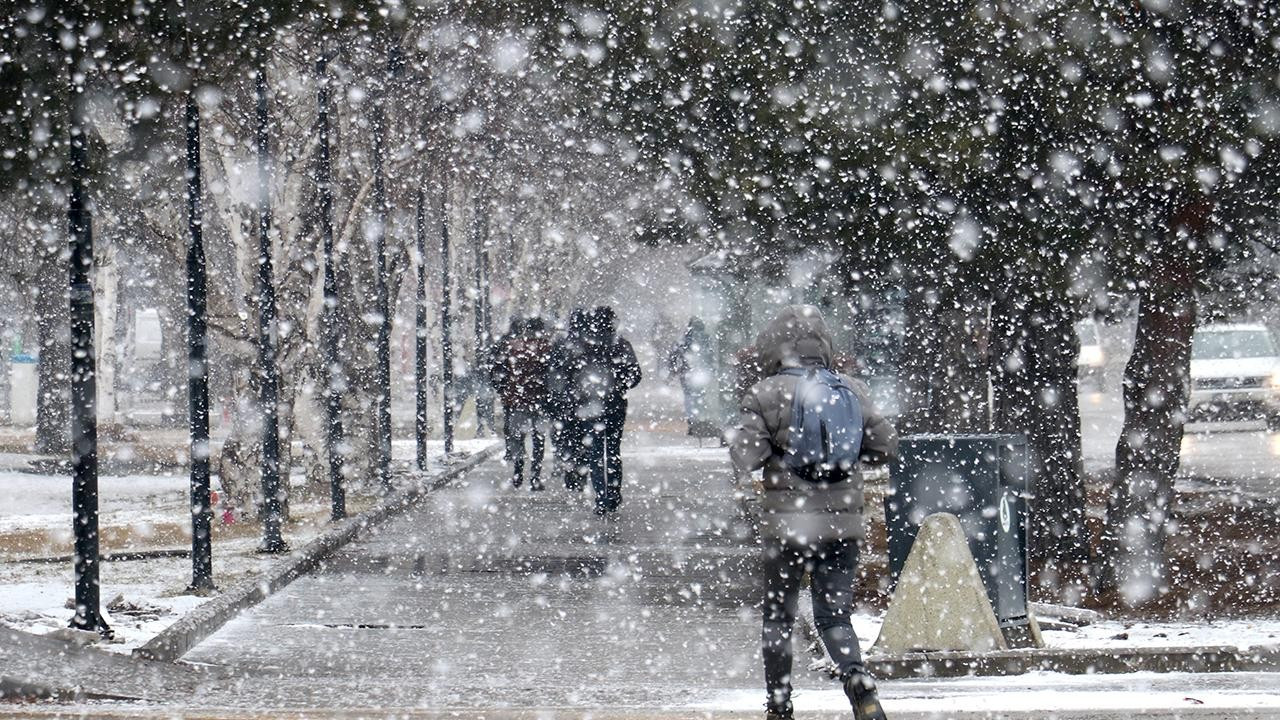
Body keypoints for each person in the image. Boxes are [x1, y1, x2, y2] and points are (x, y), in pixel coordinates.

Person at [729, 305, 898, 720]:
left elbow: (746, 455)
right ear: (823, 346)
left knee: (779, 615)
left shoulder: (763, 393)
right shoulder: (850, 389)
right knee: (834, 612)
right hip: (843, 522)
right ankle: (857, 678)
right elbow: (885, 445)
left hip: (788, 524)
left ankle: (780, 705)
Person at [570, 305, 641, 515]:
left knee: (595, 452)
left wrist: (582, 393)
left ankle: (601, 497)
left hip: (591, 406)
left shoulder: (583, 346)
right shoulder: (621, 345)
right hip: (615, 405)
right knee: (612, 450)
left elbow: (571, 375)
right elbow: (635, 375)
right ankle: (613, 493)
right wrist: (619, 386)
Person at [491, 316, 552, 490]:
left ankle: (518, 474)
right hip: (540, 400)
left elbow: (498, 371)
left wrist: (504, 390)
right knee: (538, 441)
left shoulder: (512, 347)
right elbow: (553, 375)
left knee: (518, 439)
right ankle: (535, 477)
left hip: (517, 400)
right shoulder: (546, 348)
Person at [547, 309, 590, 490]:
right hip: (584, 401)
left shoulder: (561, 344)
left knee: (565, 436)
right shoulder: (589, 344)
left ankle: (569, 470)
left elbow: (552, 372)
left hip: (564, 400)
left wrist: (553, 397)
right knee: (583, 437)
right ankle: (580, 472)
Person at [667, 316, 717, 436]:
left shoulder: (683, 339)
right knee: (699, 394)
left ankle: (692, 420)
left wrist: (673, 370)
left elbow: (674, 355)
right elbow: (710, 355)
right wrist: (711, 369)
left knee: (689, 395)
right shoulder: (706, 338)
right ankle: (699, 418)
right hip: (700, 372)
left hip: (686, 372)